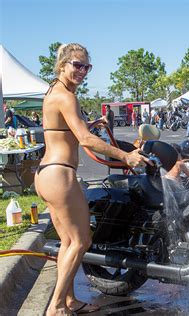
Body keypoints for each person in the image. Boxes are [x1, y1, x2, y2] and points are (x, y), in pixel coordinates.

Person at [34, 43, 150, 316]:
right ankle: (56, 307)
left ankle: (70, 299)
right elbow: (85, 141)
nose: (82, 71)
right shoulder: (67, 96)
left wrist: (92, 125)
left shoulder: (55, 91)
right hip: (60, 175)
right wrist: (125, 156)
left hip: (47, 173)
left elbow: (68, 130)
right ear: (62, 64)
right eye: (77, 65)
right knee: (81, 242)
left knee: (68, 242)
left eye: (87, 66)